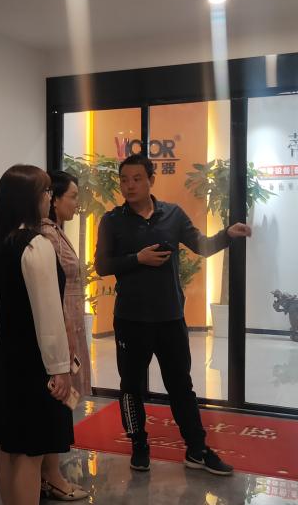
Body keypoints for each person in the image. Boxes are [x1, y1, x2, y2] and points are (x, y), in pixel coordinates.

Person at [94, 154, 252, 475]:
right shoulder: (112, 221)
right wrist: (137, 258)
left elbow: (202, 246)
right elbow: (102, 265)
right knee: (131, 386)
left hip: (170, 318)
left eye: (137, 179)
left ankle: (197, 449)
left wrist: (228, 234)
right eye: (124, 180)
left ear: (151, 180)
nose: (129, 185)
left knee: (181, 386)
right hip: (131, 320)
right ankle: (139, 445)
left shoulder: (173, 214)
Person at [0, 164, 74, 505]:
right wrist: (59, 367)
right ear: (29, 199)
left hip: (8, 351)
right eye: (45, 192)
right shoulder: (36, 245)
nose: (48, 199)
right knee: (31, 450)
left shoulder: (0, 240)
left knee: (9, 444)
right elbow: (48, 313)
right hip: (34, 355)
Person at [39, 170, 90, 502]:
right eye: (72, 196)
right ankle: (50, 475)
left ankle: (50, 472)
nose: (76, 202)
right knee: (56, 404)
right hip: (61, 330)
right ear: (54, 199)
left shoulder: (57, 232)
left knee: (61, 405)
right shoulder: (47, 236)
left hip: (70, 325)